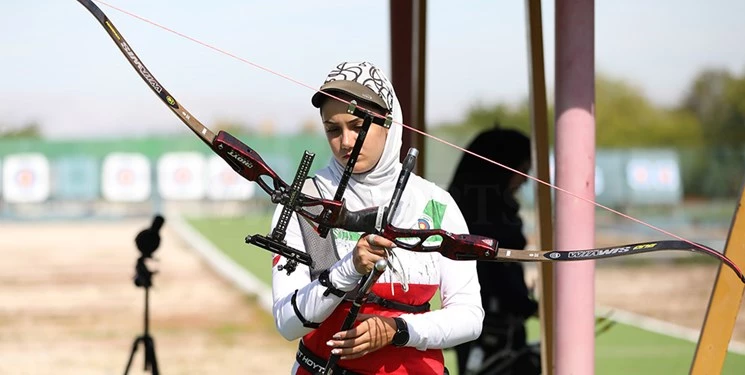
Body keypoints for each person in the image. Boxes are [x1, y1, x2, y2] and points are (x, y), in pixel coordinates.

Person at [269, 61, 484, 375]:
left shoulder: (436, 204)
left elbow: (469, 317)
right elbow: (287, 323)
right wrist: (349, 268)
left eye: (359, 126)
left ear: (390, 123)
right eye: (333, 129)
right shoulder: (306, 202)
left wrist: (397, 329)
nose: (345, 142)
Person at [448, 126, 540, 375]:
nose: (527, 177)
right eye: (522, 167)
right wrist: (531, 307)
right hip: (488, 334)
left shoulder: (495, 214)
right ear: (503, 167)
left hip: (498, 331)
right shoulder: (478, 222)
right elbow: (494, 278)